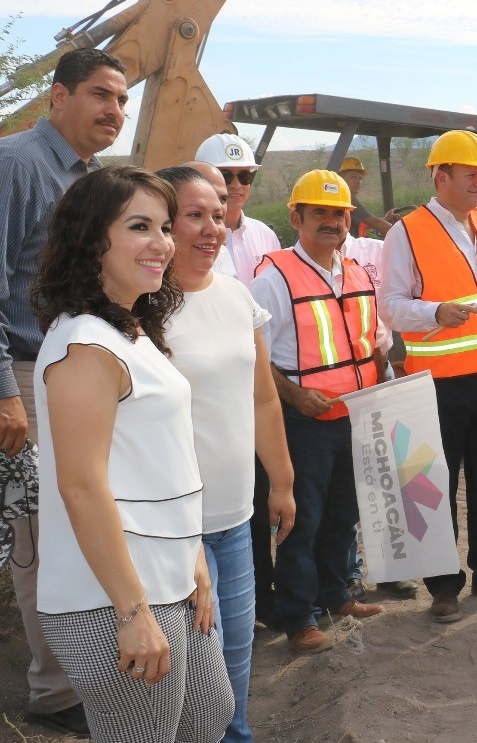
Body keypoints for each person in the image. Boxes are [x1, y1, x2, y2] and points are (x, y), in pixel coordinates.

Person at [31, 165, 234, 742]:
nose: (163, 244)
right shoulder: (83, 345)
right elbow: (81, 484)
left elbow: (156, 459)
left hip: (169, 577)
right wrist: (130, 612)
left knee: (206, 721)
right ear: (93, 239)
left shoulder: (127, 329)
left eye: (165, 226)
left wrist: (191, 554)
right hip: (112, 599)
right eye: (140, 226)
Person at [0, 47, 130, 738]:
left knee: (84, 529)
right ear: (58, 96)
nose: (115, 110)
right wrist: (4, 394)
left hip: (73, 374)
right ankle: (54, 692)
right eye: (102, 94)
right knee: (42, 540)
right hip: (22, 376)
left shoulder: (91, 179)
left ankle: (85, 671)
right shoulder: (17, 166)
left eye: (123, 101)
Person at [159, 165, 297, 740]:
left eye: (218, 213)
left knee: (238, 658)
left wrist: (283, 481)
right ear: (162, 226)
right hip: (173, 530)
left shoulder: (237, 296)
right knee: (200, 673)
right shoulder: (141, 311)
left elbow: (263, 396)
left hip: (235, 522)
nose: (212, 227)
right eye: (194, 216)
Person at [379, 130, 477, 624]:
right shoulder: (407, 232)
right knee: (438, 486)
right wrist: (434, 312)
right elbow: (389, 307)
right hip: (440, 382)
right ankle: (444, 587)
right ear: (439, 175)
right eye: (471, 174)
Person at [249, 170, 387, 654]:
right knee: (299, 523)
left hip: (353, 417)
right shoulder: (273, 279)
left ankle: (336, 595)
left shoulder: (356, 272)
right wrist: (294, 395)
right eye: (320, 213)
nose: (331, 221)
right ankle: (299, 617)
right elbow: (253, 357)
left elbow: (376, 340)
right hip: (302, 423)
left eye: (339, 213)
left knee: (343, 516)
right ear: (296, 217)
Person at [195, 133, 280, 285]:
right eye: (225, 176)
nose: (236, 184)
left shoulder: (267, 236)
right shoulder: (190, 238)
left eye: (244, 176)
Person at [338, 156, 400, 238]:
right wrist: (404, 233)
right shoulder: (346, 197)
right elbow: (375, 222)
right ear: (341, 178)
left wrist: (386, 219)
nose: (358, 181)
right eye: (353, 177)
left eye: (360, 178)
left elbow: (364, 223)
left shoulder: (347, 197)